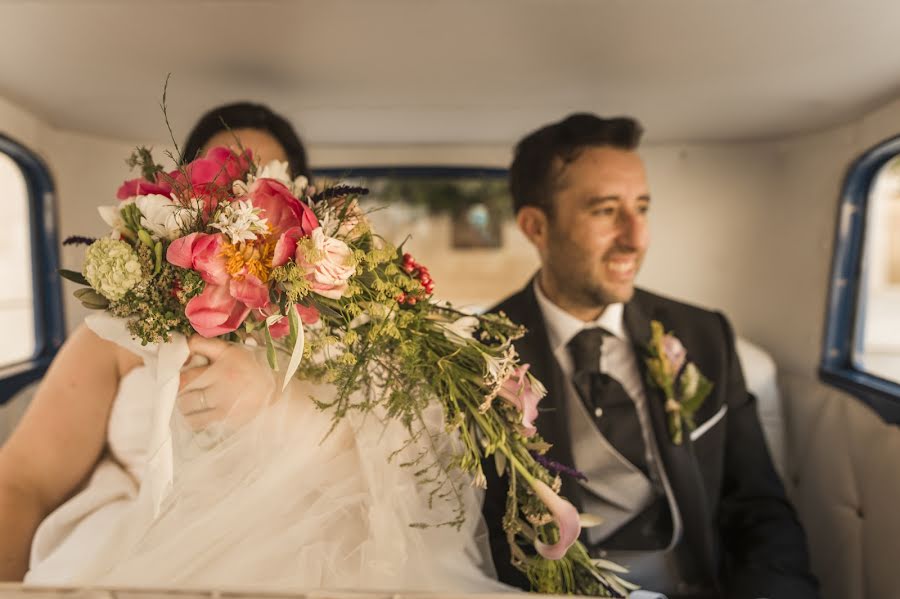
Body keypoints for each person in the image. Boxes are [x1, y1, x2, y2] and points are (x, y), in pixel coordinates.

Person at [482, 113, 820, 599]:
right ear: (536, 226)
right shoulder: (479, 354)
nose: (637, 238)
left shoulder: (705, 336)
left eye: (642, 207)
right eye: (605, 211)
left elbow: (757, 507)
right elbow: (487, 535)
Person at [0, 102, 311, 583]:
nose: (244, 199)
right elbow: (23, 480)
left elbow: (380, 459)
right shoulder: (114, 335)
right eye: (225, 177)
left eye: (266, 183)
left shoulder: (331, 332)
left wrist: (274, 399)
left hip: (288, 545)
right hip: (127, 548)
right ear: (183, 195)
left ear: (298, 206)